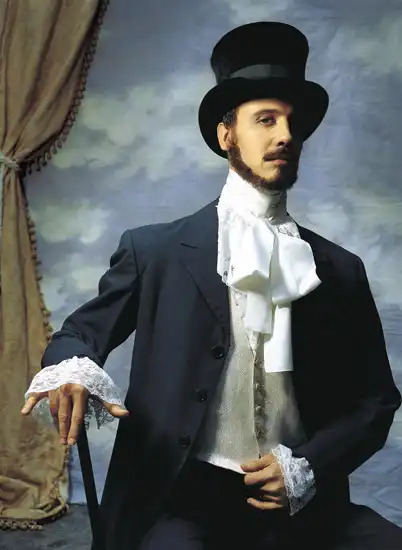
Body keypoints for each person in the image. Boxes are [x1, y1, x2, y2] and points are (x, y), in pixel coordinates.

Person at [22, 22, 402, 550]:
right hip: (182, 502)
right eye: (265, 120)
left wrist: (308, 467)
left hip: (303, 504)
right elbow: (80, 334)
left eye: (292, 123)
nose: (285, 136)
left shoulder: (339, 269)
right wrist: (70, 371)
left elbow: (375, 401)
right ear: (227, 136)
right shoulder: (154, 250)